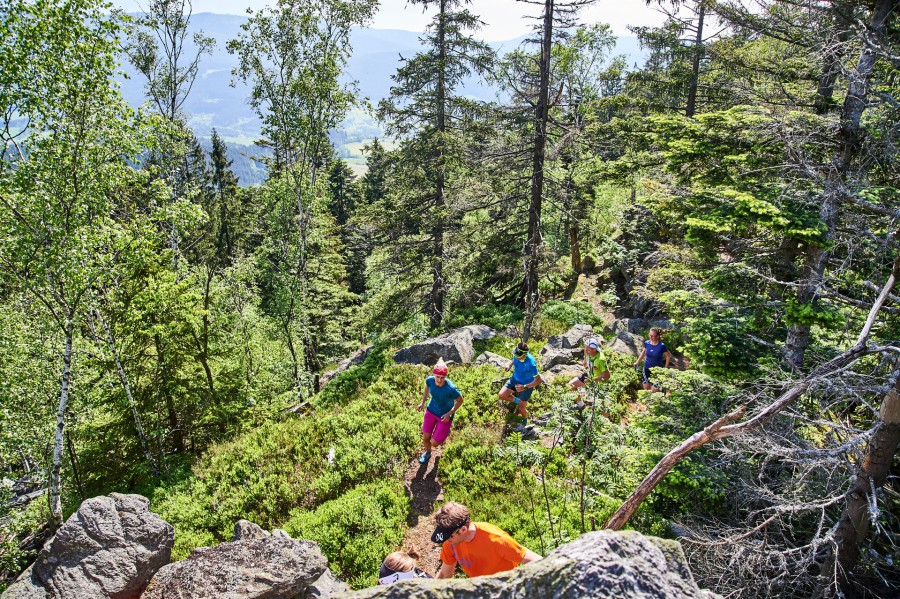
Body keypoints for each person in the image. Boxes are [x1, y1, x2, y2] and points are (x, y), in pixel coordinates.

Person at [432, 501, 542, 578]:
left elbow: (537, 560)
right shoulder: (450, 543)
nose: (446, 540)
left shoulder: (497, 540)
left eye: (449, 536)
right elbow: (445, 574)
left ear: (463, 529)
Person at [417, 358, 463, 464]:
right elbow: (427, 388)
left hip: (444, 416)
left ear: (445, 377)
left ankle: (442, 433)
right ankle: (428, 453)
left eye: (442, 378)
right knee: (425, 438)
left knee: (434, 443)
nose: (439, 380)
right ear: (434, 375)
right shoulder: (430, 380)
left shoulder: (451, 389)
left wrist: (449, 413)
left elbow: (460, 401)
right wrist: (423, 403)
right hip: (431, 411)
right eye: (437, 377)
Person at [498, 341, 543, 429]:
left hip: (527, 385)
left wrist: (524, 387)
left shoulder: (531, 363)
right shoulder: (517, 353)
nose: (516, 357)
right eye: (516, 355)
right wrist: (509, 365)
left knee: (522, 409)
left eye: (519, 356)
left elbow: (539, 380)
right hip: (515, 379)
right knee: (501, 395)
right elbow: (514, 359)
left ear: (525, 354)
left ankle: (525, 420)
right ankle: (519, 402)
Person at [568, 337, 610, 409]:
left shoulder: (601, 359)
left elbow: (607, 375)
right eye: (586, 348)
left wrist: (592, 380)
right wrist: (585, 359)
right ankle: (582, 404)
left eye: (588, 349)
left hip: (598, 384)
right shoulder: (588, 352)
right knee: (570, 385)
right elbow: (585, 350)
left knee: (601, 408)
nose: (586, 350)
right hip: (589, 376)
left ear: (594, 349)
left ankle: (605, 417)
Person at [633, 327, 671, 392]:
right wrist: (637, 362)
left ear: (658, 336)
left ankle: (662, 392)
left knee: (654, 390)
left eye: (654, 336)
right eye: (650, 336)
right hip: (647, 368)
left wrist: (665, 368)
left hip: (658, 370)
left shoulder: (662, 346)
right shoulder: (647, 343)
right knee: (646, 388)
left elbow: (668, 357)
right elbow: (644, 352)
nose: (652, 338)